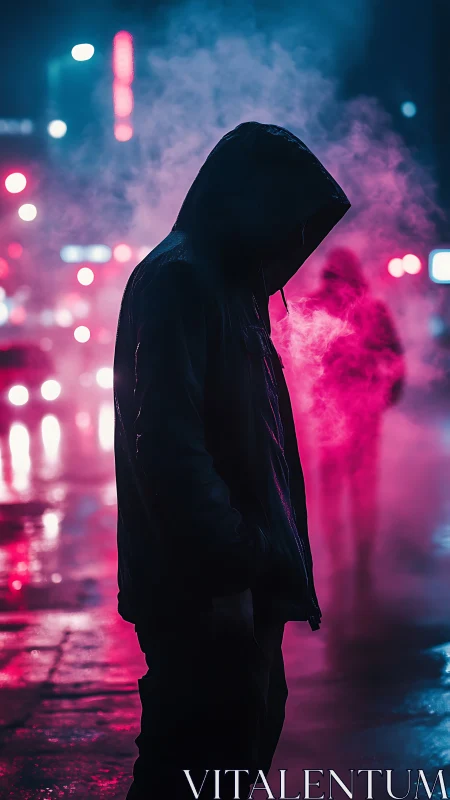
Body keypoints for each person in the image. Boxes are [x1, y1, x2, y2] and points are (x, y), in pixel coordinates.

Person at [113, 121, 351, 799]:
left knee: (231, 752)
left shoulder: (224, 284)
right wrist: (230, 569)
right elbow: (171, 447)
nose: (293, 239)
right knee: (197, 765)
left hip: (233, 585)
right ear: (251, 203)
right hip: (207, 593)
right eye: (286, 217)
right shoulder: (183, 280)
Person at [304, 247, 405, 581]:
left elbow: (395, 357)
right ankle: (350, 561)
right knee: (348, 487)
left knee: (349, 487)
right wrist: (386, 396)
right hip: (346, 412)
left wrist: (384, 397)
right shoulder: (368, 308)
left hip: (354, 411)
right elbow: (397, 358)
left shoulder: (363, 308)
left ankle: (354, 561)